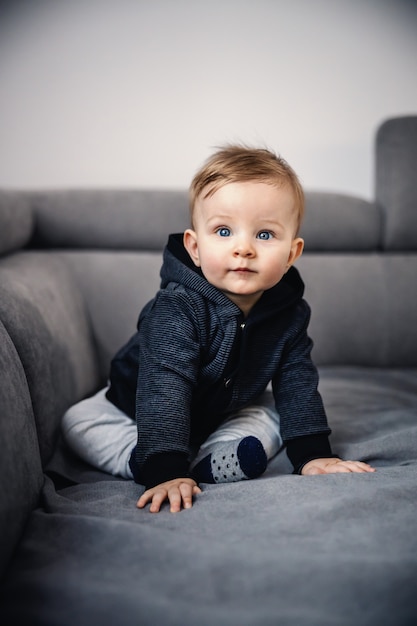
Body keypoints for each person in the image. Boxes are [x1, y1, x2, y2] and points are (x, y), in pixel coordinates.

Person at [62, 145, 375, 513]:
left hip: (223, 411)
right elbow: (163, 386)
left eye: (264, 235)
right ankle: (142, 459)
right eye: (224, 231)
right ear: (194, 247)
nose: (243, 248)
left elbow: (297, 382)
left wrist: (314, 455)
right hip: (134, 407)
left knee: (272, 413)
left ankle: (212, 458)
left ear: (292, 254)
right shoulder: (177, 307)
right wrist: (164, 470)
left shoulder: (290, 314)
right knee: (77, 422)